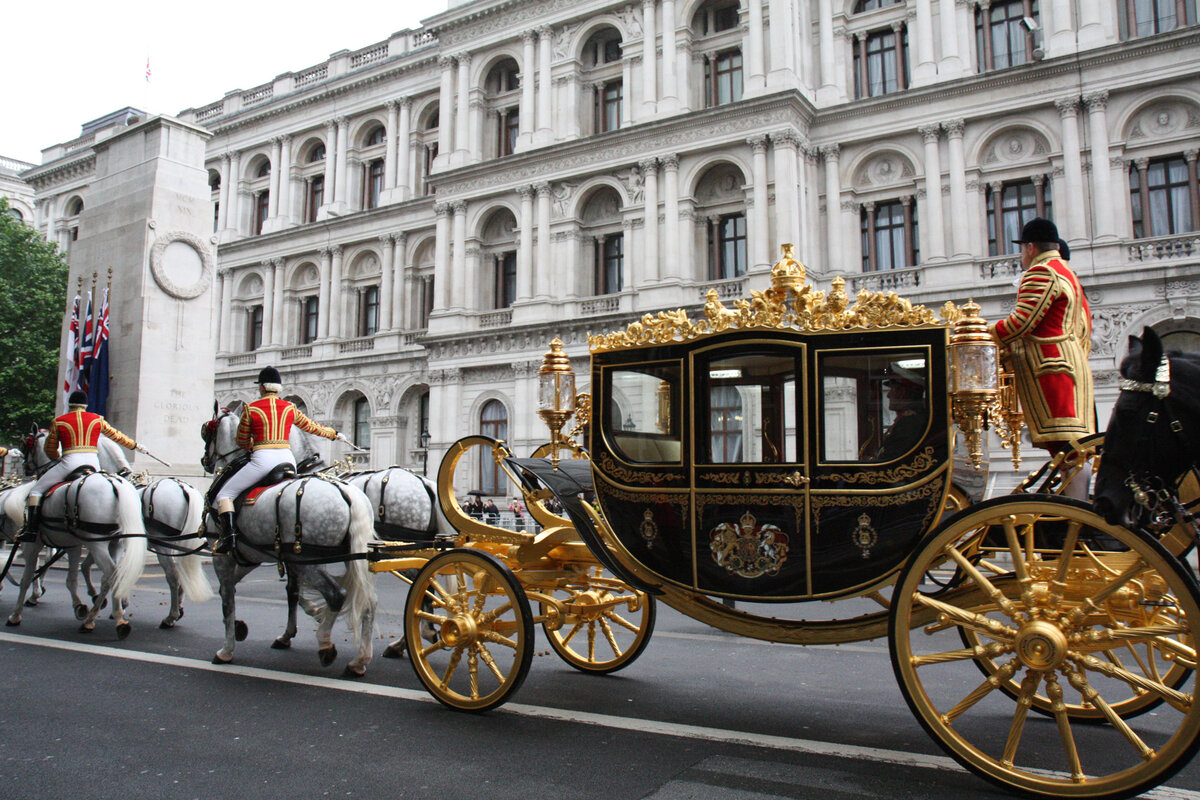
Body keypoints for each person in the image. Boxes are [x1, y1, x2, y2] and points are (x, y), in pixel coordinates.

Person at [989, 218, 1095, 482]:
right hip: (1067, 368)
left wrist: (979, 334)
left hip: (1050, 371)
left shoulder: (1042, 272)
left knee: (1066, 449)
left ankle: (1076, 508)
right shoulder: (1066, 272)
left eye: (1022, 250)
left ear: (1031, 248)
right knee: (1071, 450)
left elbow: (1021, 323)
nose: (1022, 257)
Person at [213, 366, 341, 554]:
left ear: (263, 388)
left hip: (262, 460)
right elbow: (311, 426)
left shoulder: (251, 409)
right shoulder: (290, 408)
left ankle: (229, 538)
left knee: (224, 495)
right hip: (288, 460)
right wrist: (333, 434)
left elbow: (241, 440)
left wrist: (251, 444)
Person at [23, 391, 141, 539]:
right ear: (85, 405)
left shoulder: (59, 421)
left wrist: (57, 457)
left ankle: (31, 531)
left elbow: (49, 449)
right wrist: (135, 446)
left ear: (69, 404)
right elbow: (117, 436)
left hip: (69, 462)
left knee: (36, 491)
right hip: (94, 464)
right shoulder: (98, 419)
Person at [875, 365, 928, 462]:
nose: (888, 395)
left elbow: (890, 458)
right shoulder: (908, 419)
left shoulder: (909, 423)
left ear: (902, 392)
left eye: (892, 390)